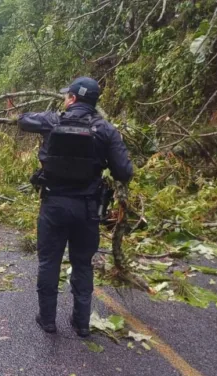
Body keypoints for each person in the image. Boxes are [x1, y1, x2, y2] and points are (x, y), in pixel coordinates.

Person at [18, 77, 133, 337]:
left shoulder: (53, 121)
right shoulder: (105, 129)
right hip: (87, 209)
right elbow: (124, 172)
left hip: (54, 206)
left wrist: (53, 118)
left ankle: (47, 319)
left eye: (66, 96)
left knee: (49, 262)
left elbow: (23, 120)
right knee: (83, 264)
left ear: (72, 98)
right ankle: (81, 323)